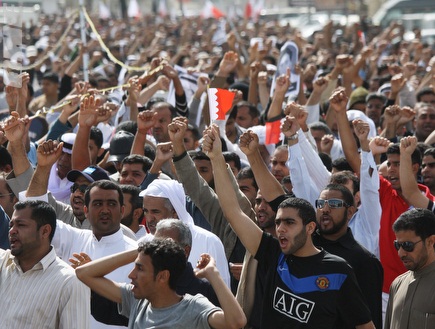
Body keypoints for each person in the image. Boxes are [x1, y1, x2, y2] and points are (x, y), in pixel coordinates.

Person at [203, 124, 375, 329]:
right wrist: (215, 159)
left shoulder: (338, 270)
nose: (280, 229)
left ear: (310, 228)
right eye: (278, 222)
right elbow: (233, 212)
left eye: (289, 222)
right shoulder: (273, 254)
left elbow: (365, 326)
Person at [75, 239, 247, 329]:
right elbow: (83, 273)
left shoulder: (193, 308)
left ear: (163, 276)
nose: (131, 275)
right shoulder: (137, 301)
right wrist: (143, 249)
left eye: (140, 268)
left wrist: (212, 273)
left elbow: (236, 322)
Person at [52, 180, 138, 328]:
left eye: (111, 204)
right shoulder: (73, 238)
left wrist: (91, 274)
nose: (105, 210)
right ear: (86, 211)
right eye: (97, 204)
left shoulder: (136, 254)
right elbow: (35, 209)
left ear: (122, 210)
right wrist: (43, 168)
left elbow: (137, 307)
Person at [0, 200, 90, 328]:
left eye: (21, 225)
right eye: (11, 225)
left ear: (45, 231)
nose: (12, 231)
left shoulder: (69, 282)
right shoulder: (3, 262)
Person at [140, 179, 231, 287]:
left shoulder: (208, 240)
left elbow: (222, 290)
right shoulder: (143, 243)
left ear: (174, 213)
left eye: (155, 211)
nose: (149, 219)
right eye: (146, 211)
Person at [384, 208, 435, 329]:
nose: (401, 253)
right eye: (398, 245)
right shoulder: (397, 284)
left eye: (408, 245)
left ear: (430, 242)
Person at [154, 219, 219, 306]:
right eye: (155, 245)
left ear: (186, 251)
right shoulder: (148, 281)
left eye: (167, 245)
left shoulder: (204, 290)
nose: (158, 251)